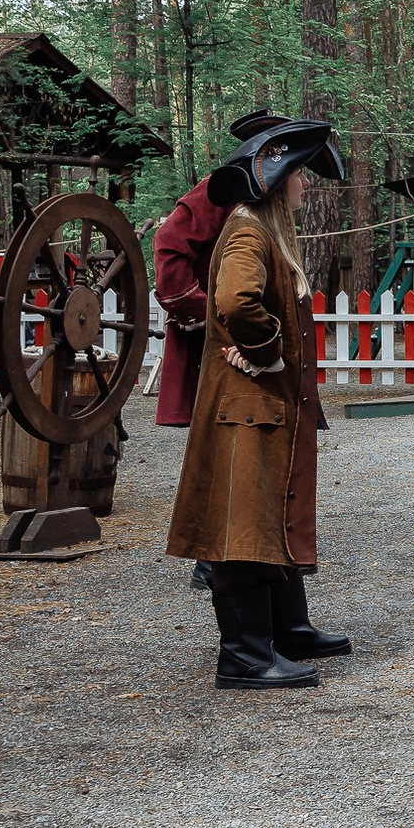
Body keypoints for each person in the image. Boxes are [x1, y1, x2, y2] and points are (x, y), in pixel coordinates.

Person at [166, 120, 353, 691]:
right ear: (275, 180)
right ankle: (244, 656)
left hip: (263, 407)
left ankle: (282, 632)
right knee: (242, 525)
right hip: (246, 408)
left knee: (269, 515)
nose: (306, 187)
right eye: (300, 176)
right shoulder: (249, 234)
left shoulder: (265, 231)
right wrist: (267, 348)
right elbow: (234, 300)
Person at [151, 109, 287, 589]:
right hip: (223, 340)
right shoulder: (221, 188)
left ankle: (241, 560)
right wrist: (206, 313)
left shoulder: (261, 196)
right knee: (227, 448)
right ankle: (215, 562)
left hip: (245, 338)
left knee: (248, 451)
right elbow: (168, 244)